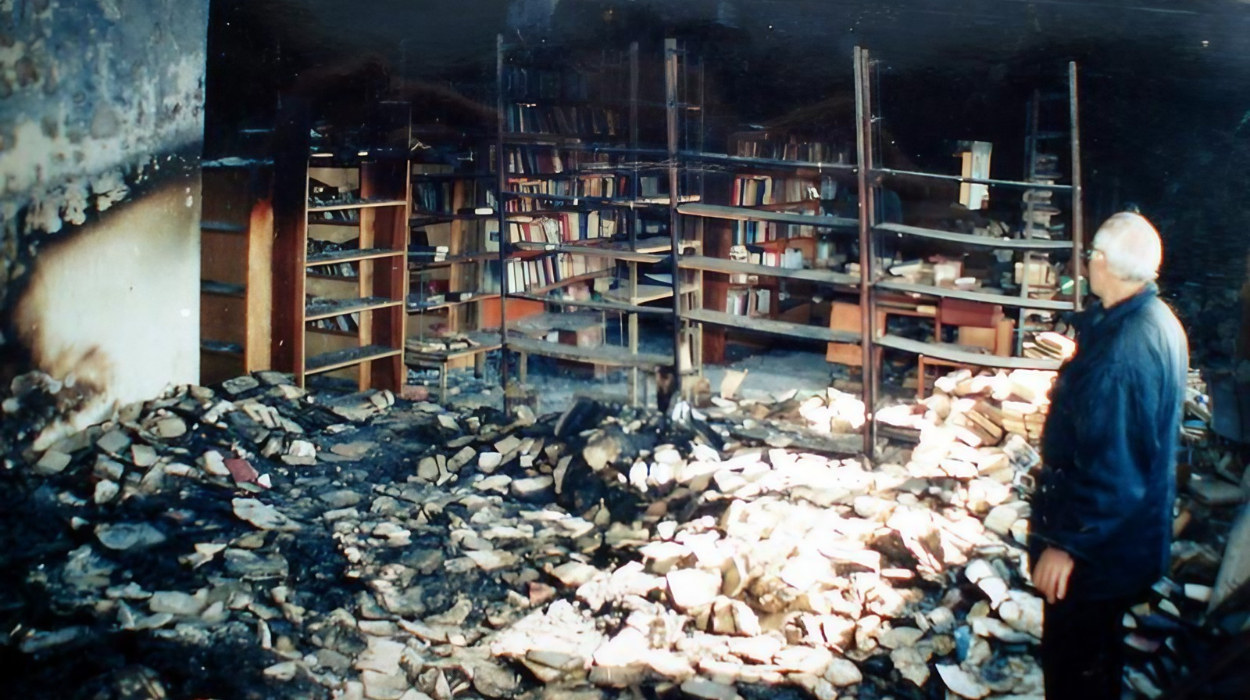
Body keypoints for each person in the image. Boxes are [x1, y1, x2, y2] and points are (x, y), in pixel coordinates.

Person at [1029, 212, 1189, 700]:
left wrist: (1066, 545)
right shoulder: (1154, 320)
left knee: (1075, 668)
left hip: (1099, 554)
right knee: (1099, 658)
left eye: (1093, 253)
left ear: (1110, 265)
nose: (1087, 261)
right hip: (1128, 539)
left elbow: (1113, 468)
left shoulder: (1125, 351)